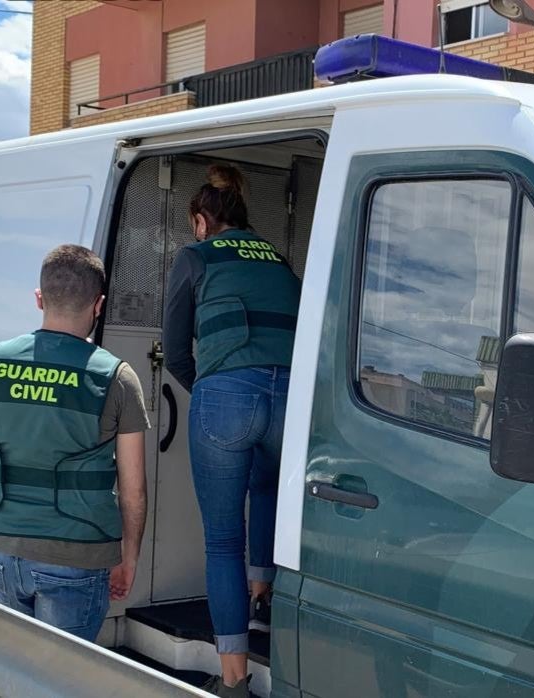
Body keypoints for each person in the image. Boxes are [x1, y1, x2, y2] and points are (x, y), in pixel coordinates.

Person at [164, 164, 300, 697]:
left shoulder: (196, 257)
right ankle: (263, 596)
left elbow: (175, 350)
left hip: (226, 394)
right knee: (266, 488)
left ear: (202, 221)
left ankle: (234, 680)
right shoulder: (280, 259)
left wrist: (214, 391)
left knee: (223, 541)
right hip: (289, 396)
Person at [0, 244, 149, 642]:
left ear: (40, 299)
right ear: (99, 304)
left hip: (6, 546)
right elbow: (133, 489)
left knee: (17, 676)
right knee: (64, 680)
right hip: (77, 555)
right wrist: (129, 556)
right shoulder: (116, 378)